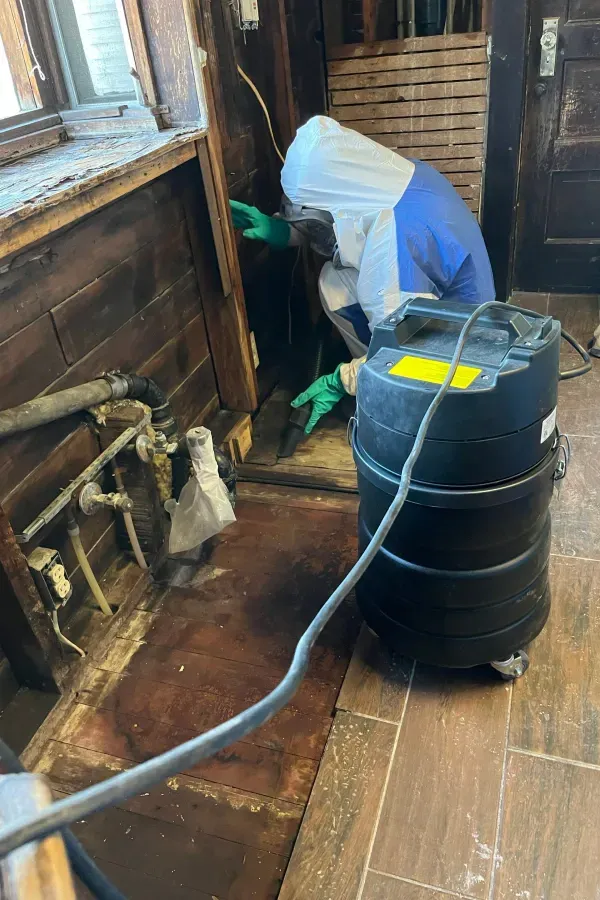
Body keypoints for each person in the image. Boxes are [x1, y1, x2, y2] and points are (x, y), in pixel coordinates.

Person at [230, 116, 495, 434]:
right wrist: (283, 230)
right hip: (456, 304)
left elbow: (407, 352)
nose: (312, 232)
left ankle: (387, 391)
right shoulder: (401, 178)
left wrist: (343, 380)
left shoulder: (393, 251)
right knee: (336, 277)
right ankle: (372, 367)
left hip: (458, 354)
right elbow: (341, 217)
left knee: (340, 289)